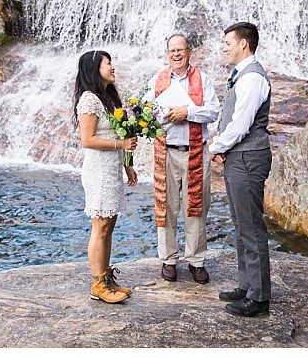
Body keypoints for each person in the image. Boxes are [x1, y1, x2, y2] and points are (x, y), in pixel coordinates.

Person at [144, 34, 220, 283]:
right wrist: (169, 115)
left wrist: (188, 112)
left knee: (196, 206)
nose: (176, 54)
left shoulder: (203, 79)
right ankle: (168, 259)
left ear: (189, 52)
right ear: (167, 54)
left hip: (195, 150)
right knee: (167, 206)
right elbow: (147, 114)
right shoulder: (157, 80)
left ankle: (196, 261)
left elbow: (213, 112)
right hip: (166, 151)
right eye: (172, 50)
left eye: (180, 50)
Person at [209, 22, 273, 317]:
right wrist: (224, 147)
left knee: (251, 226)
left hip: (248, 158)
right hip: (240, 157)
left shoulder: (252, 78)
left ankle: (258, 298)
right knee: (241, 224)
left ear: (243, 44)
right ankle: (247, 286)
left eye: (228, 42)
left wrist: (217, 146)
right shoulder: (242, 76)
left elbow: (241, 124)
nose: (225, 47)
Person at [72, 49, 138, 304]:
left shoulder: (108, 96)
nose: (113, 67)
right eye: (108, 63)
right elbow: (88, 140)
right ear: (94, 69)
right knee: (100, 227)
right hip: (98, 171)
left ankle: (106, 279)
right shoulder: (89, 99)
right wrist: (121, 146)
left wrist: (127, 165)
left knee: (109, 225)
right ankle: (98, 283)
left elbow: (117, 135)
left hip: (111, 170)